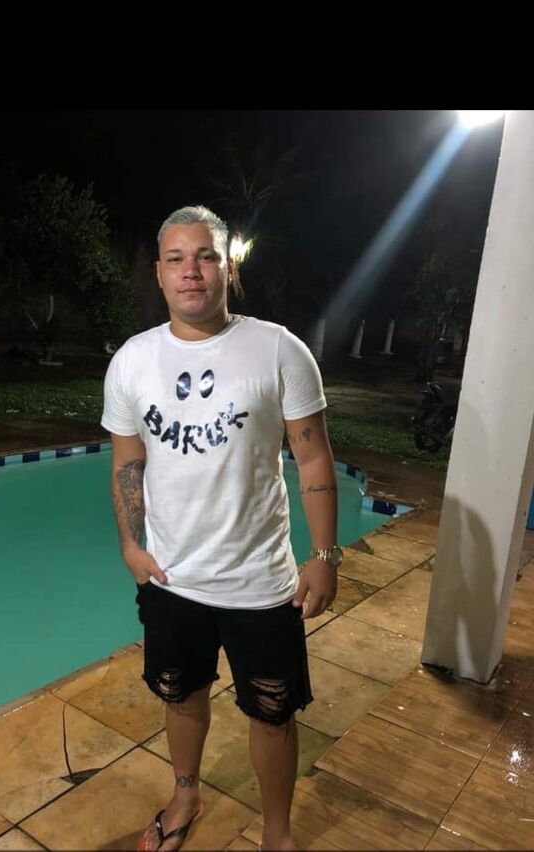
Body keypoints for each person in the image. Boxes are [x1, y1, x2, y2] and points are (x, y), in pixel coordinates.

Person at [102, 206, 341, 851]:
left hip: (260, 583)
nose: (192, 271)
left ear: (226, 268)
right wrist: (130, 545)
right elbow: (127, 463)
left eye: (205, 256)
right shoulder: (132, 361)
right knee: (181, 697)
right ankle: (186, 795)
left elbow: (313, 457)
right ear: (159, 273)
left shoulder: (279, 350)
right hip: (172, 580)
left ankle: (276, 833)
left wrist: (324, 554)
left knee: (273, 712)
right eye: (177, 259)